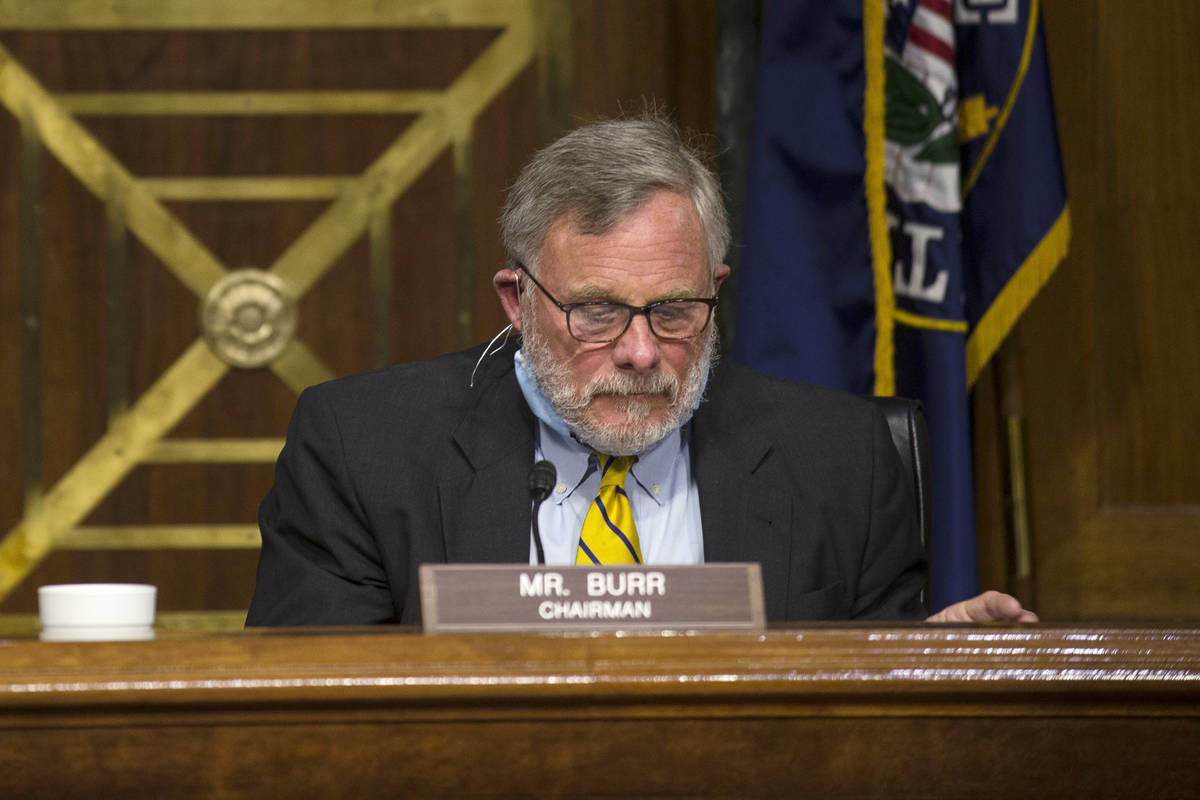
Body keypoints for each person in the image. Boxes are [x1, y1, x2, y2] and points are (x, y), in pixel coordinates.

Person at [246, 115, 1036, 626]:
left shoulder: (845, 462)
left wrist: (927, 673)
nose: (640, 352)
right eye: (595, 312)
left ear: (715, 292)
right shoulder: (363, 450)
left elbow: (873, 743)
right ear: (516, 301)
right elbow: (313, 717)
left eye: (673, 310)